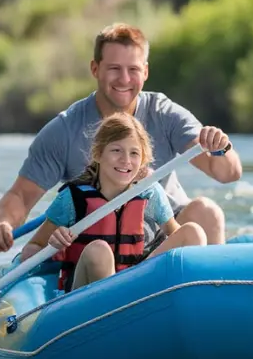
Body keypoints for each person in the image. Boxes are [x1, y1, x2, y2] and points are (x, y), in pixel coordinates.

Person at [0, 23, 242, 256]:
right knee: (98, 251)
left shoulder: (165, 113)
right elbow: (21, 195)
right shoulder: (63, 130)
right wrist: (2, 224)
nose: (125, 79)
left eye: (133, 70)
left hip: (164, 236)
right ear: (95, 68)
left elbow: (228, 173)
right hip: (99, 245)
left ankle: (209, 294)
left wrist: (221, 147)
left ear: (146, 72)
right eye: (114, 69)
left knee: (207, 212)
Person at [20, 113, 207, 292]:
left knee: (193, 232)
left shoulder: (150, 193)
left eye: (134, 153)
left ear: (142, 160)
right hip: (85, 296)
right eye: (116, 150)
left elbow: (178, 238)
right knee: (98, 250)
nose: (125, 160)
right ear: (99, 154)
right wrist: (53, 245)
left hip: (135, 285)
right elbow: (32, 248)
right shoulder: (72, 198)